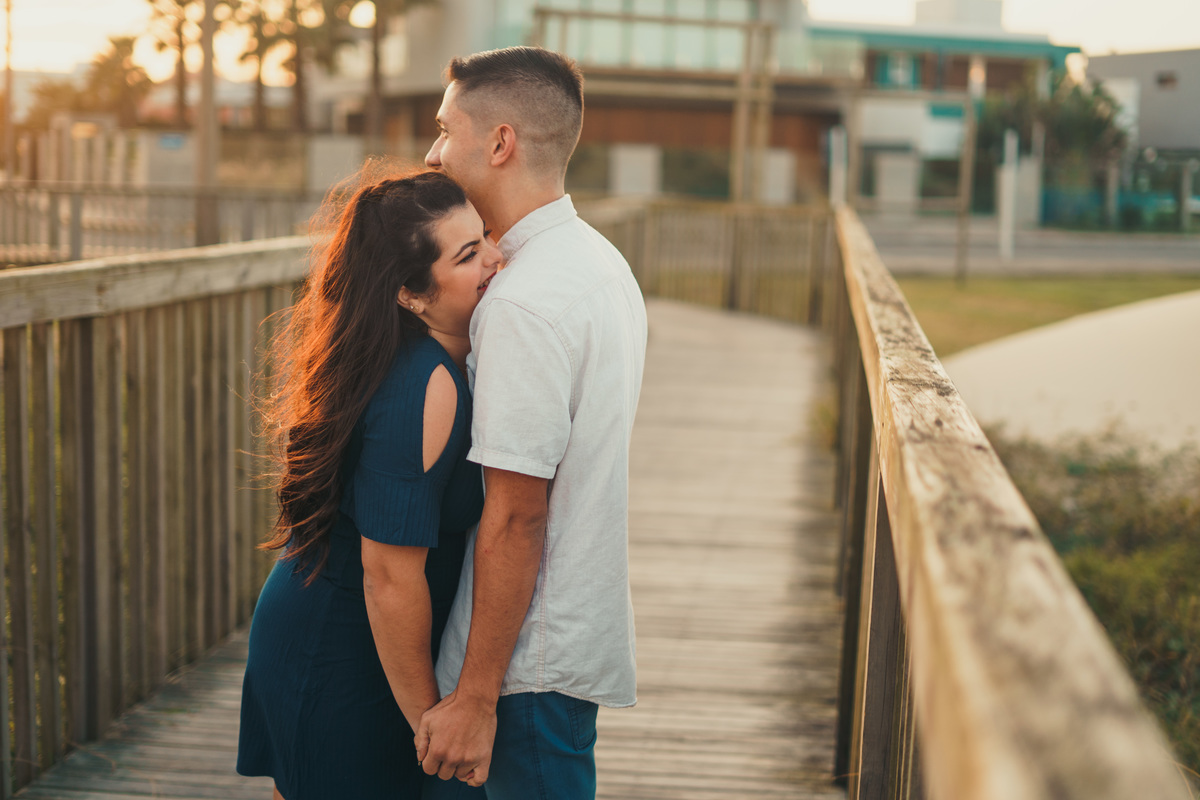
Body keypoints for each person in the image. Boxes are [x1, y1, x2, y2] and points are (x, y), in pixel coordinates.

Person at [417, 46, 648, 799]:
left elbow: (517, 512)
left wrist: (476, 698)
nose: (433, 151)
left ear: (501, 142)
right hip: (559, 646)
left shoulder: (523, 303)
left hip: (522, 671)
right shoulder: (599, 263)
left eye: (447, 130)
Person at [236, 169, 500, 800]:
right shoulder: (424, 384)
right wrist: (432, 730)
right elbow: (388, 576)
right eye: (468, 255)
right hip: (344, 650)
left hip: (368, 640)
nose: (496, 257)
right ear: (411, 293)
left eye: (485, 236)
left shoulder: (434, 358)